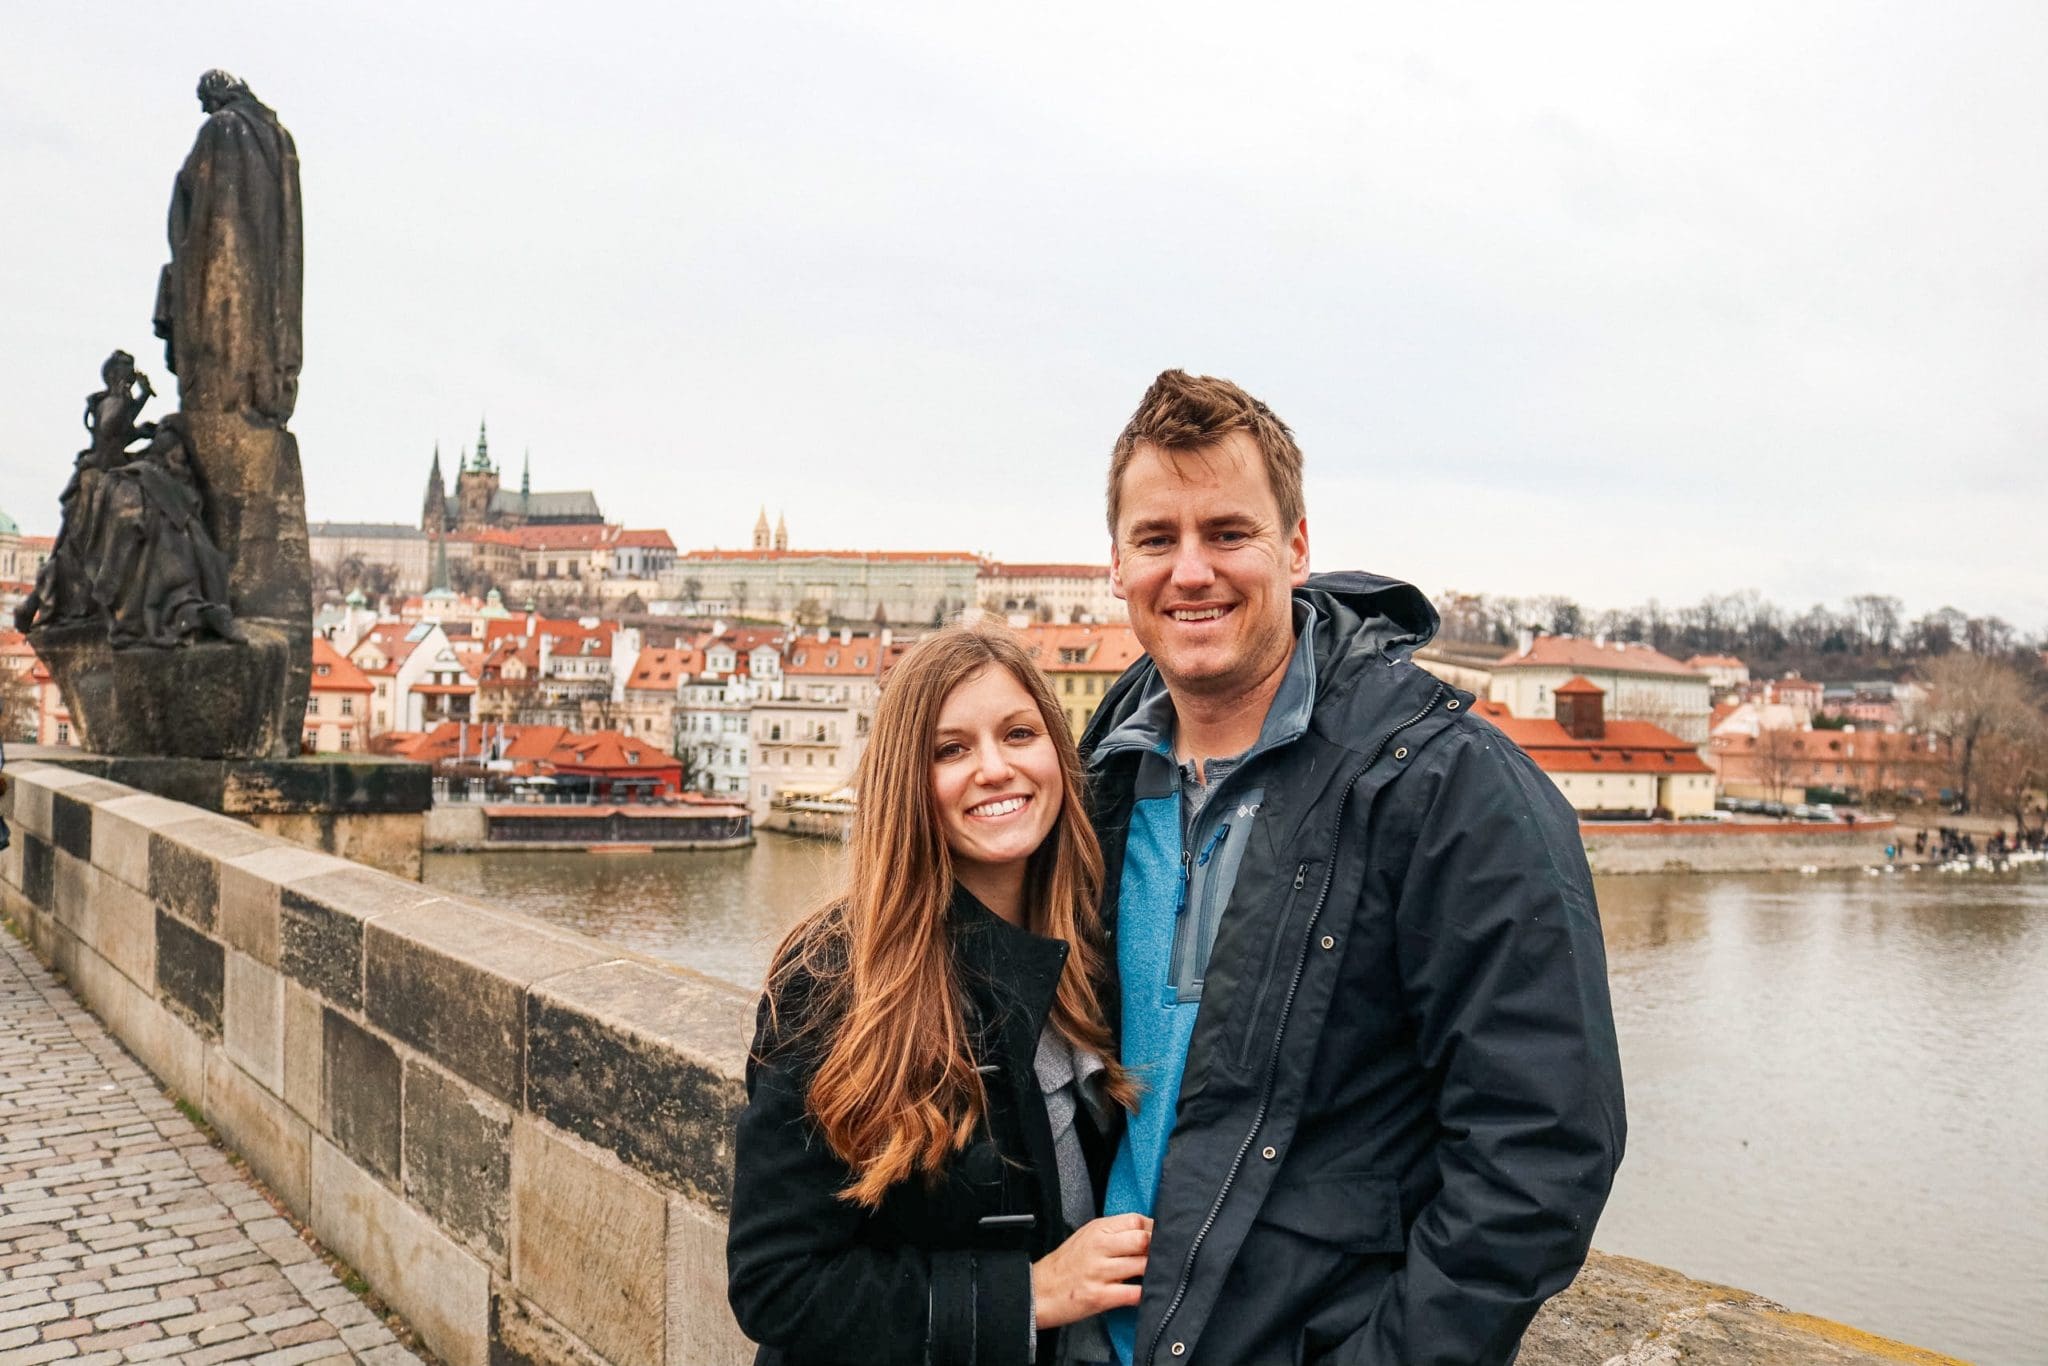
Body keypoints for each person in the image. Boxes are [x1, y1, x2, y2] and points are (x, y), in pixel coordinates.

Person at [1082, 371, 1626, 1365]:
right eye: (1157, 538)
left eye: (1227, 533)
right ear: (1115, 564)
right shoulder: (1099, 773)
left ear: (1294, 547)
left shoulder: (1452, 787)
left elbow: (1539, 1150)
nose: (1190, 570)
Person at [729, 625, 1149, 1365]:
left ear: (1058, 751)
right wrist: (1031, 1293)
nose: (994, 767)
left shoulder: (1096, 946)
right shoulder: (833, 978)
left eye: (1019, 733)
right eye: (950, 750)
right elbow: (776, 1282)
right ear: (905, 783)